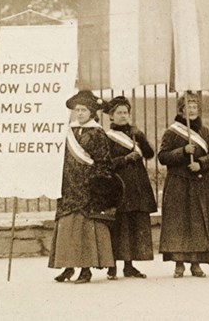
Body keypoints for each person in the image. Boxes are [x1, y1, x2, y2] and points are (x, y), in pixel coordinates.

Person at [50, 90, 117, 284]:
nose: (79, 113)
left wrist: (97, 186)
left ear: (92, 113)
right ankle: (68, 266)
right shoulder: (68, 131)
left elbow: (104, 163)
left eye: (83, 110)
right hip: (68, 187)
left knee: (85, 230)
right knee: (67, 228)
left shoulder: (98, 133)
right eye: (77, 110)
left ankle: (85, 270)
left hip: (87, 188)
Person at [157, 91, 209, 277]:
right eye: (188, 107)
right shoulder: (172, 132)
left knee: (197, 222)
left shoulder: (206, 132)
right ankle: (179, 264)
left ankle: (196, 263)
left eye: (195, 107)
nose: (192, 110)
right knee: (178, 223)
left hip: (200, 182)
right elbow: (162, 157)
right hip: (178, 182)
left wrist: (200, 163)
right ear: (181, 110)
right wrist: (183, 151)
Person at [102, 95, 156, 279]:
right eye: (119, 112)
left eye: (126, 112)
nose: (123, 116)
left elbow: (149, 154)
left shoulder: (134, 134)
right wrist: (125, 159)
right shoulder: (107, 137)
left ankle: (129, 265)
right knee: (118, 226)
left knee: (132, 225)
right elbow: (105, 163)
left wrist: (140, 136)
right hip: (118, 186)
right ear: (111, 116)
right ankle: (112, 267)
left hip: (137, 186)